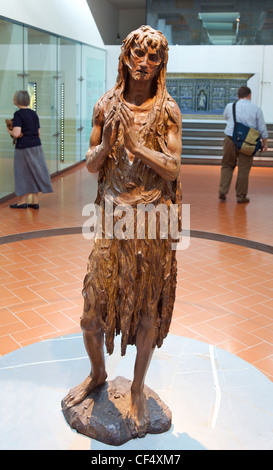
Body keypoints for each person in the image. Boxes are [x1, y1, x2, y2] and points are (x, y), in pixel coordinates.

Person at [62, 25, 182, 438]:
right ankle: (97, 374)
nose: (144, 63)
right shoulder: (105, 105)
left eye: (153, 57)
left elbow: (173, 168)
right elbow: (93, 163)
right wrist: (109, 140)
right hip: (112, 223)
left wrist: (136, 143)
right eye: (138, 54)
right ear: (126, 57)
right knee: (90, 317)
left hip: (150, 225)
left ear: (160, 64)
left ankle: (136, 388)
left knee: (148, 312)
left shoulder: (167, 110)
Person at [219, 86, 268, 203]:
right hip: (248, 143)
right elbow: (262, 128)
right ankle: (241, 197)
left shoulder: (230, 106)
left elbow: (226, 117)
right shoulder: (256, 109)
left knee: (227, 165)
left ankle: (222, 190)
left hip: (231, 139)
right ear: (249, 95)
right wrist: (264, 143)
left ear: (238, 96)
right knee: (243, 169)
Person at [6, 90, 53, 209]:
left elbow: (16, 133)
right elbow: (38, 133)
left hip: (23, 147)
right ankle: (35, 201)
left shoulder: (18, 114)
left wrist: (9, 131)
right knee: (34, 171)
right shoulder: (33, 114)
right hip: (37, 146)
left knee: (22, 173)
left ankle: (22, 201)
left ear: (17, 100)